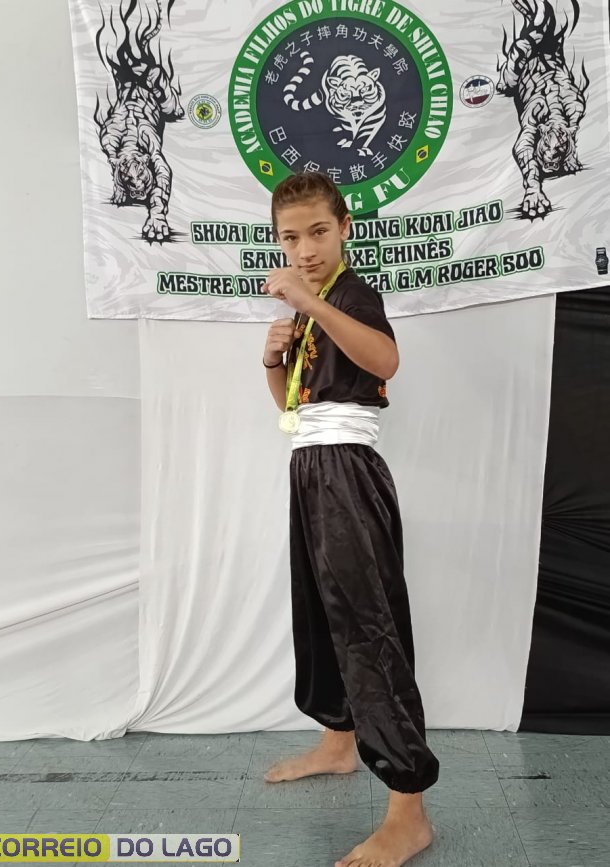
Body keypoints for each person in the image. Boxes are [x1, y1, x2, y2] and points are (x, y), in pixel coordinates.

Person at [261, 171, 440, 867]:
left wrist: (309, 301)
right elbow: (292, 404)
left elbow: (386, 359)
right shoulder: (319, 305)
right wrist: (272, 359)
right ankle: (339, 743)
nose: (304, 249)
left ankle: (408, 810)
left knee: (368, 626)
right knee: (322, 612)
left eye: (317, 232)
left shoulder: (351, 295)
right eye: (290, 238)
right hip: (310, 465)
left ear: (344, 229)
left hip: (347, 474)